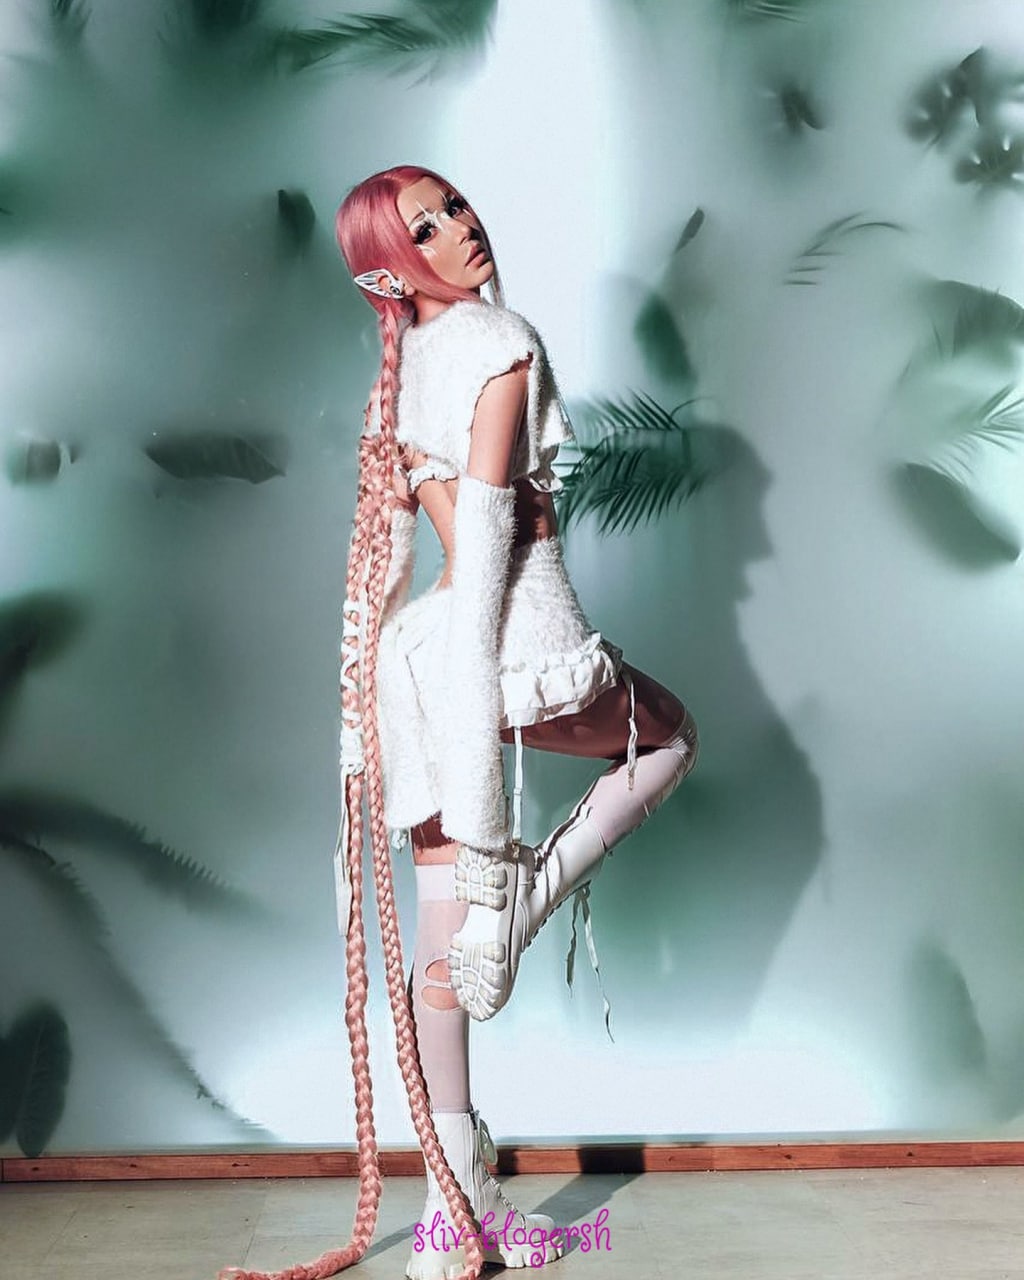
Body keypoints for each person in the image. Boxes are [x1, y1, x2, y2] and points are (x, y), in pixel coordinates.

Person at [218, 165, 697, 1280]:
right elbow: (482, 559)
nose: (459, 228)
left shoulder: (403, 371)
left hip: (422, 658)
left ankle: (451, 1217)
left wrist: (421, 709)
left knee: (443, 942)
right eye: (425, 228)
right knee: (670, 737)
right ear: (389, 272)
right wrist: (490, 794)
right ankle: (525, 899)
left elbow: (414, 553)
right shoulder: (498, 341)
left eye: (455, 207)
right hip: (507, 642)